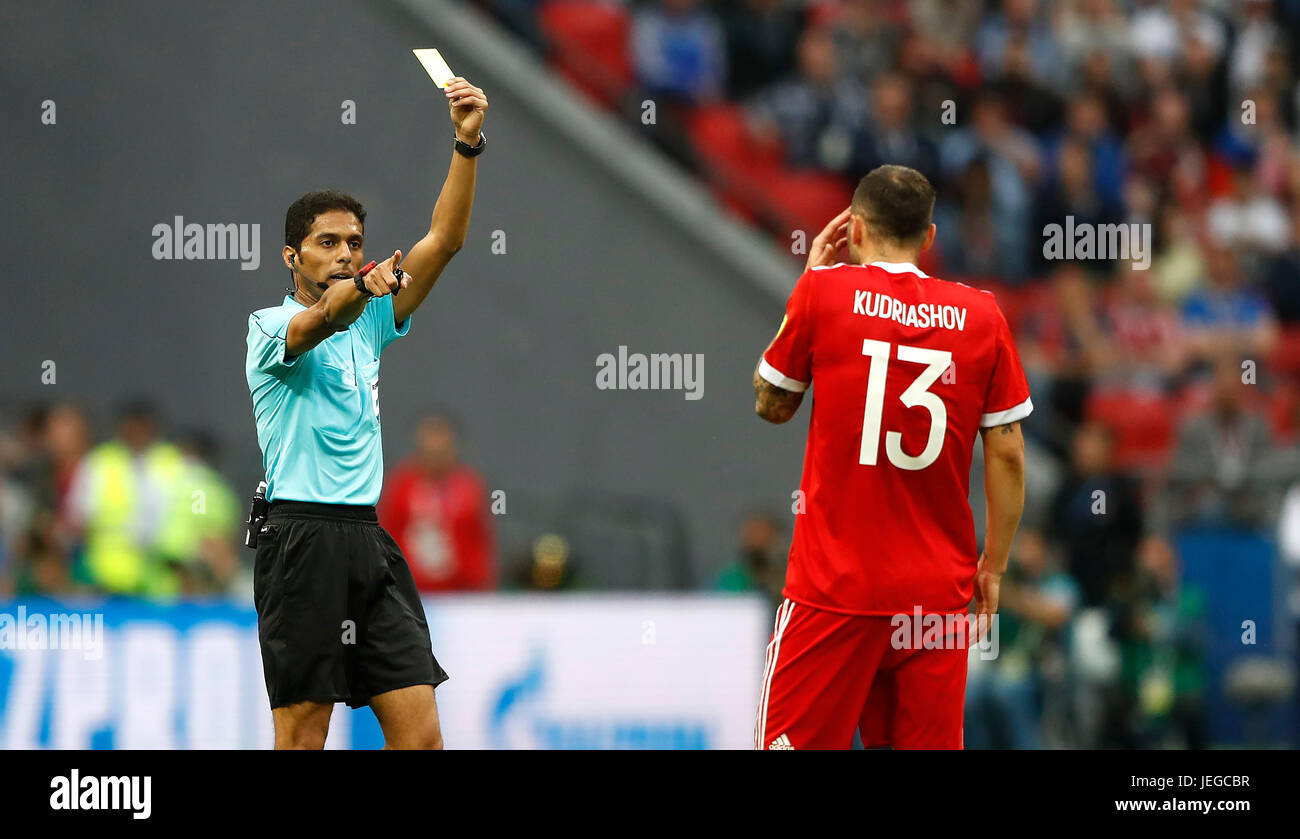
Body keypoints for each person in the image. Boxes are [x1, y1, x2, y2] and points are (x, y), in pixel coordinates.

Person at [244, 77, 488, 750]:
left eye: (354, 241)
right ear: (292, 256)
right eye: (328, 242)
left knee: (421, 736)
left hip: (368, 541)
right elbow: (322, 317)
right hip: (300, 541)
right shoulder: (269, 326)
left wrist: (467, 141)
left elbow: (446, 238)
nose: (347, 251)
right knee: (304, 736)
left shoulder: (372, 317)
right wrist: (358, 286)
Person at [751, 164, 1030, 750]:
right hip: (934, 600)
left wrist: (803, 289)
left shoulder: (823, 292)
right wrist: (995, 567)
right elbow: (1007, 454)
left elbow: (772, 405)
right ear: (930, 238)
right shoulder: (982, 316)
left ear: (853, 229)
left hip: (835, 591)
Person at [378, 414, 496, 592]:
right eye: (430, 451)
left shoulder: (469, 488)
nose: (435, 458)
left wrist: (480, 590)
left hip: (459, 593)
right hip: (411, 592)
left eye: (441, 451)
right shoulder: (401, 486)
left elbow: (479, 544)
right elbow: (387, 539)